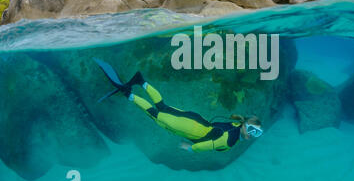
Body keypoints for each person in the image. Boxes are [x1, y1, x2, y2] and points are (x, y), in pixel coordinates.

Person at [94, 58, 264, 153]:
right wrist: (190, 147)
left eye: (256, 133)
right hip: (187, 128)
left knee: (163, 106)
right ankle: (127, 93)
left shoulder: (235, 125)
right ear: (244, 124)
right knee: (154, 114)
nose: (252, 134)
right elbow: (206, 146)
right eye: (251, 129)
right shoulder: (231, 139)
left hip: (195, 119)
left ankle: (141, 81)